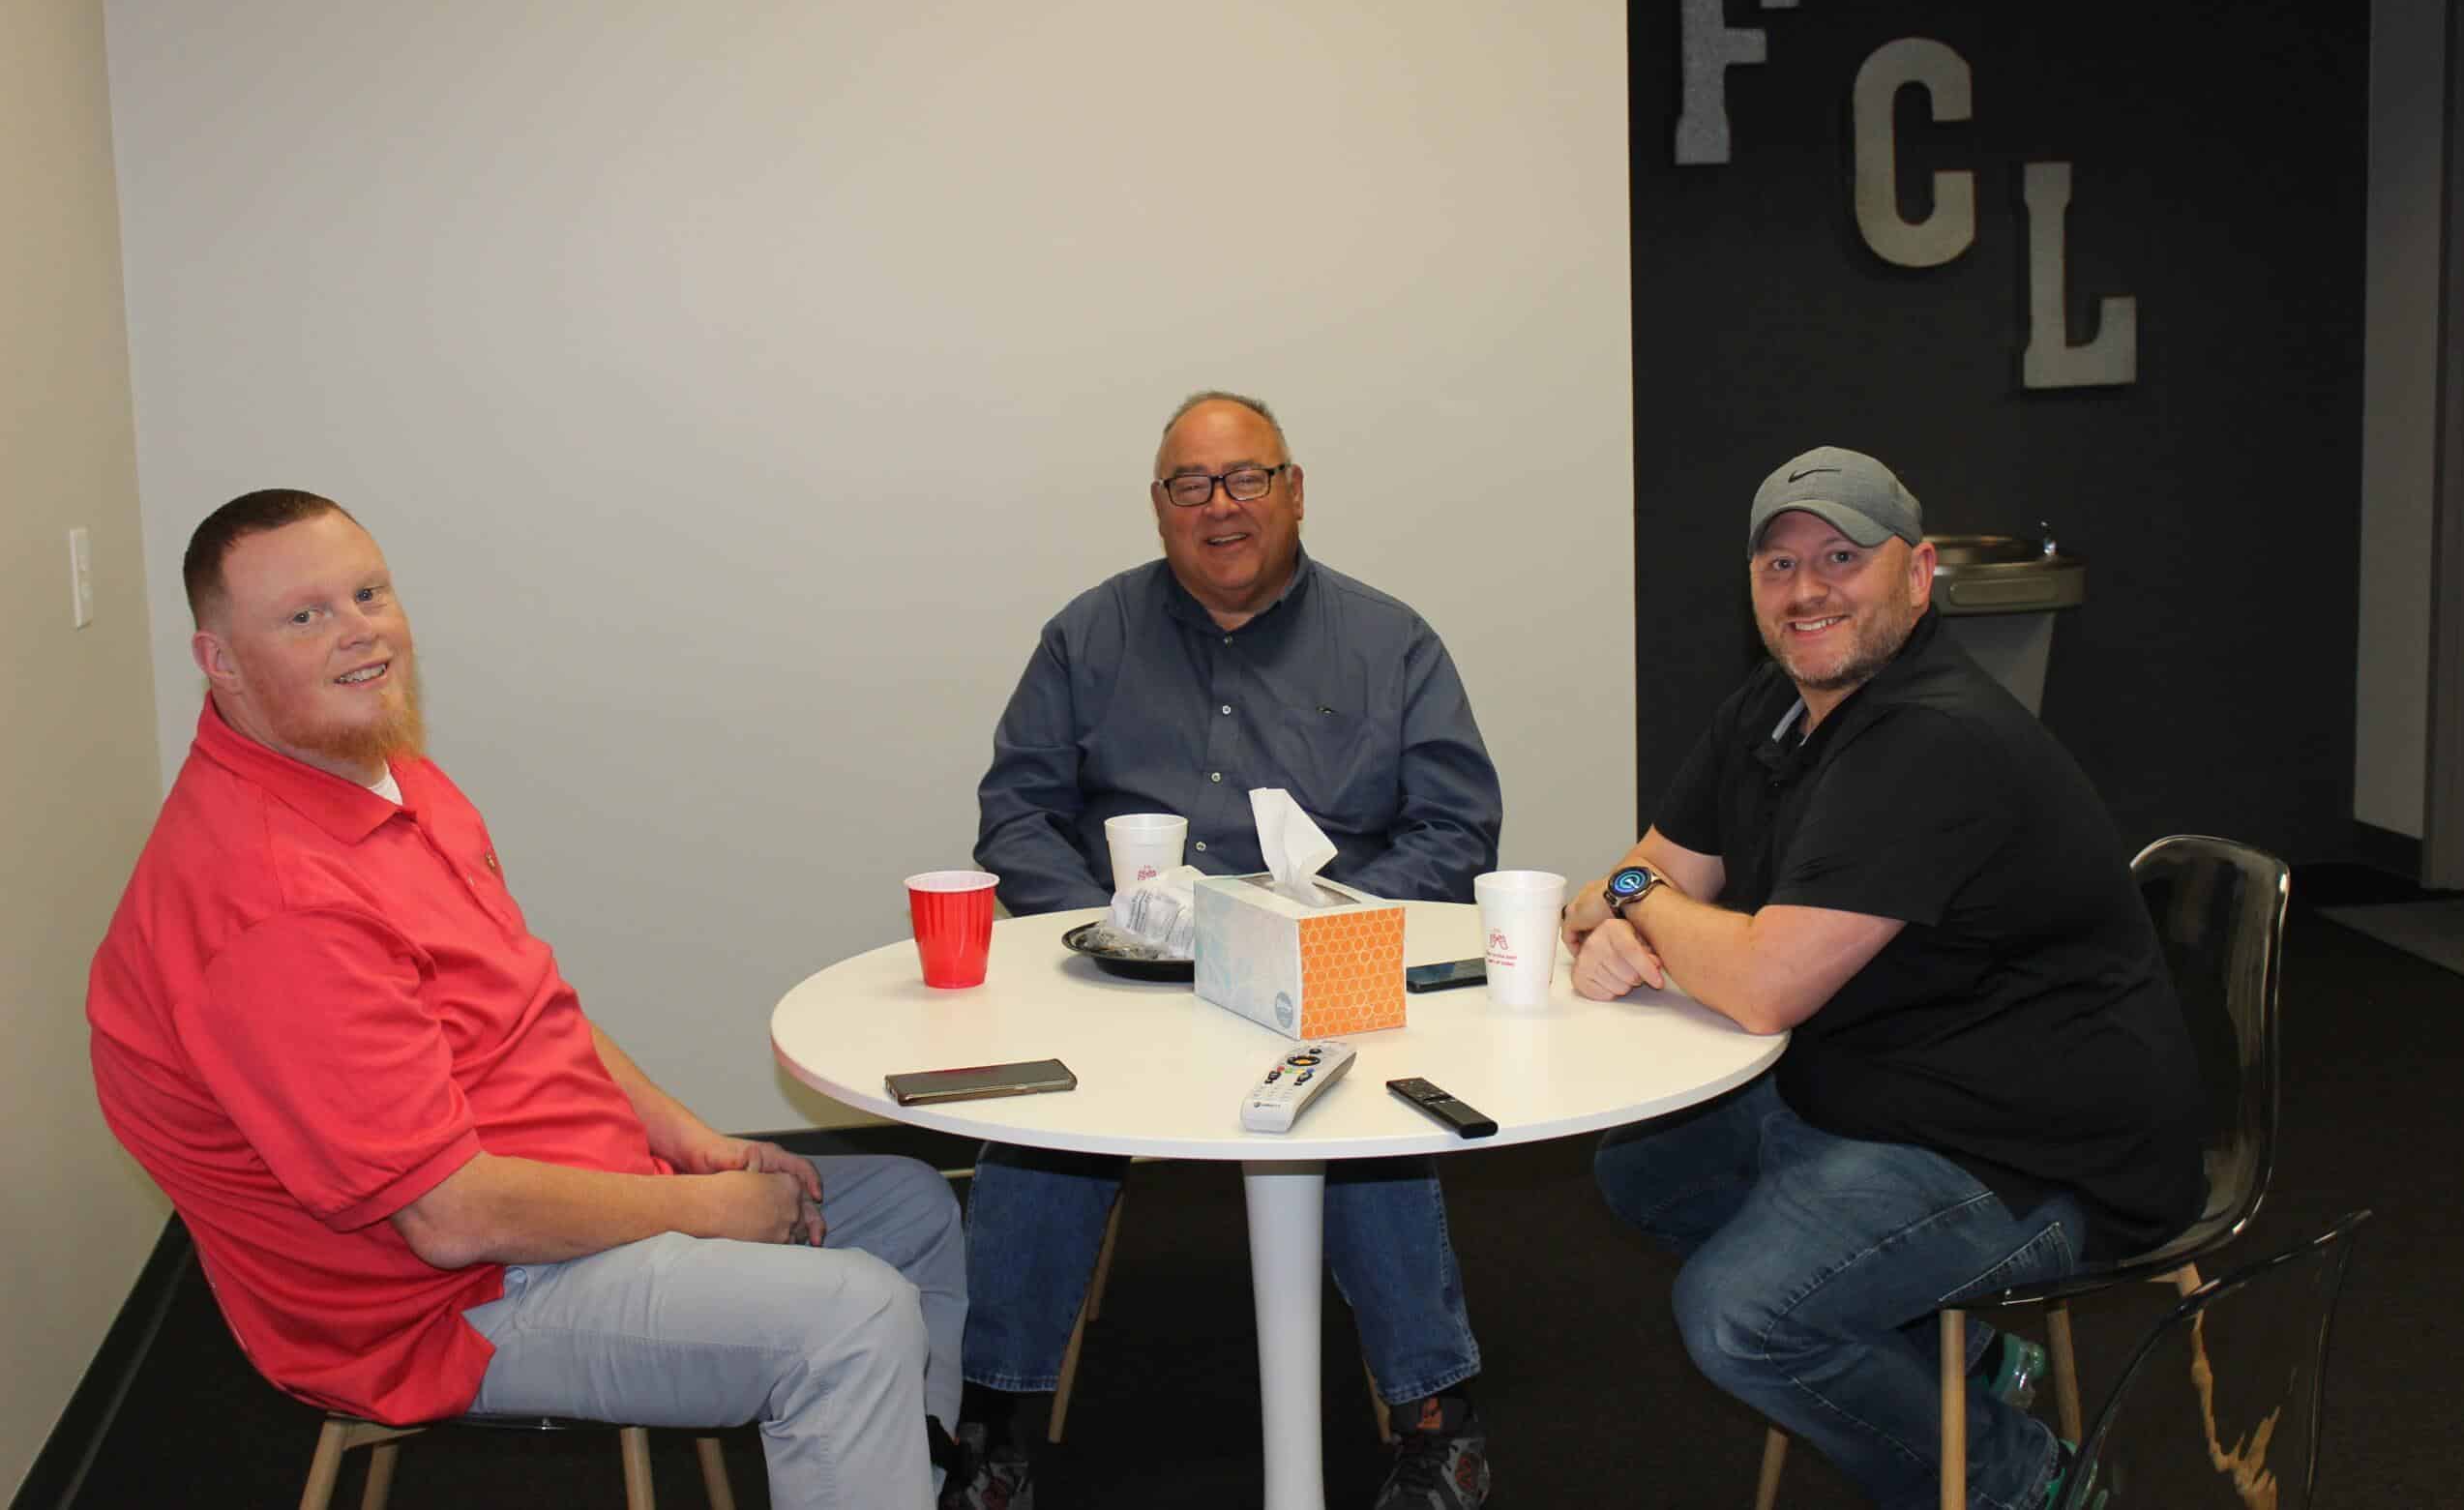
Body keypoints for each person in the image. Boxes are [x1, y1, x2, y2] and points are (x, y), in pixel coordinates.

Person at [88, 490, 967, 1510]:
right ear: (220, 661)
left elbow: (527, 1000)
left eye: (367, 593)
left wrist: (691, 1141)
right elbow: (451, 1219)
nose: (359, 631)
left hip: (551, 1190)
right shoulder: (271, 905)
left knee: (906, 1201)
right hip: (449, 1301)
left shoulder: (391, 778)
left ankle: (905, 1473)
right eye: (304, 617)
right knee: (851, 1317)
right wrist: (705, 1208)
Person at [1561, 448, 2203, 1510]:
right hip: (1883, 1080)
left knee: (1741, 1316)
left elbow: (1757, 980)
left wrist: (1630, 902)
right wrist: (1635, 896)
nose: (1806, 588)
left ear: (1918, 574)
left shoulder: (1935, 739)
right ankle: (1961, 1361)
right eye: (1776, 565)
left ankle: (2028, 1481)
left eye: (1842, 556)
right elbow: (1657, 870)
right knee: (1646, 1169)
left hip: (2039, 1155)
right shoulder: (1773, 711)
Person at [959, 392, 1502, 1510]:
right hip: (1122, 974)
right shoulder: (1086, 634)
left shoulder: (1390, 641)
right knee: (1030, 1129)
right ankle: (994, 1419)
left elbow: (1456, 829)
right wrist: (1095, 925)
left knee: (1373, 1112)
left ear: (1294, 492)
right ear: (1159, 510)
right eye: (1190, 486)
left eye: (1246, 479)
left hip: (1320, 975)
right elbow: (1015, 811)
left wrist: (1325, 929)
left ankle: (1436, 1418)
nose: (1220, 507)